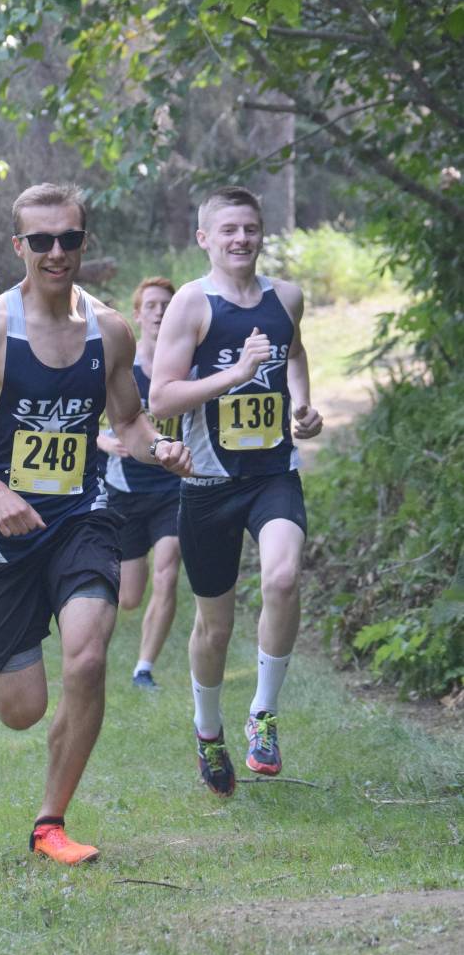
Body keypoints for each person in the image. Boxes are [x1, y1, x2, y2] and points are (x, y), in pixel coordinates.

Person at [0, 183, 192, 864]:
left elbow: (127, 419)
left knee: (90, 657)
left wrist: (159, 447)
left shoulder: (110, 330)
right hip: (2, 537)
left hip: (82, 518)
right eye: (41, 240)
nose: (56, 251)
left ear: (83, 243)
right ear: (20, 248)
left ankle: (50, 823)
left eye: (68, 238)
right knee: (22, 708)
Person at [149, 185, 323, 797]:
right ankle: (208, 730)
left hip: (274, 473)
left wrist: (301, 404)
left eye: (250, 228)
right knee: (214, 627)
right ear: (205, 239)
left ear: (261, 232)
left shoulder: (287, 297)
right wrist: (236, 375)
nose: (241, 239)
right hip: (207, 482)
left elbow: (295, 353)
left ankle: (264, 715)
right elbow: (160, 398)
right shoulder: (192, 305)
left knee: (281, 578)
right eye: (228, 230)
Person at [97, 276, 182, 689]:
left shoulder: (185, 369)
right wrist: (105, 443)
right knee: (129, 596)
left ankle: (143, 668)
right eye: (152, 305)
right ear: (138, 314)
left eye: (167, 304)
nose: (160, 311)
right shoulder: (120, 371)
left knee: (167, 572)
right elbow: (85, 424)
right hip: (126, 493)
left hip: (172, 491)